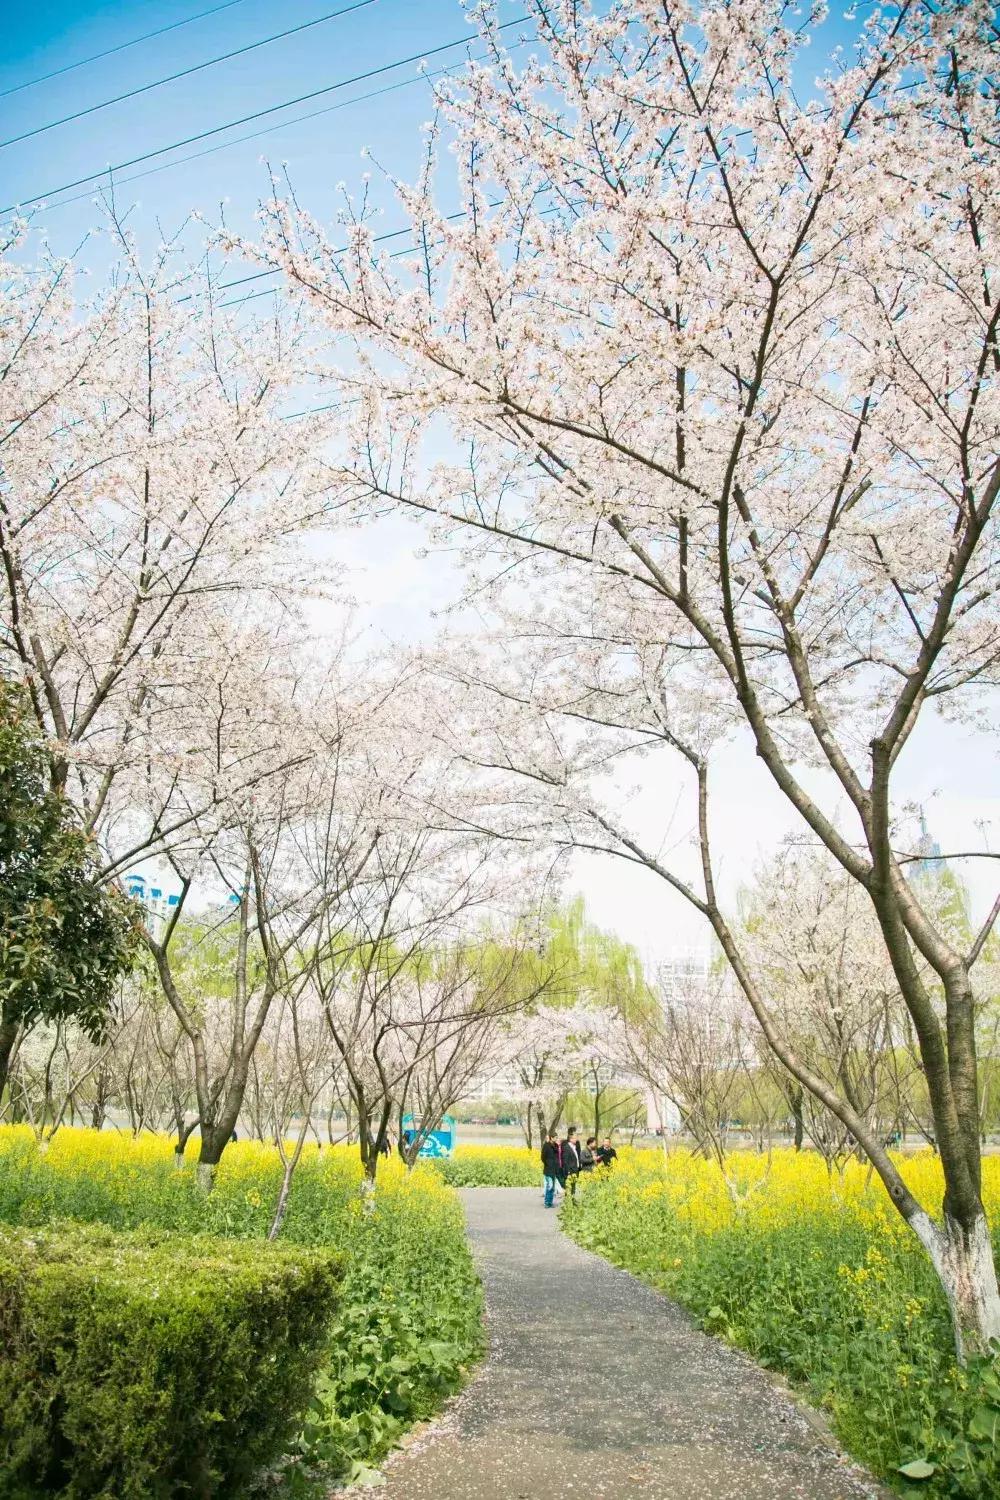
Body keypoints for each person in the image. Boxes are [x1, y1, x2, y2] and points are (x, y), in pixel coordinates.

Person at [541, 1127, 563, 1208]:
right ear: (551, 1138)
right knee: (549, 1186)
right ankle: (547, 1203)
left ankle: (550, 1202)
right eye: (556, 1137)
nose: (557, 1139)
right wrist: (548, 1164)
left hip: (554, 1170)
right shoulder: (546, 1146)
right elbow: (543, 1157)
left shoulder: (556, 1146)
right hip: (548, 1169)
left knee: (553, 1187)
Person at [560, 1126, 581, 1199]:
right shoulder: (566, 1147)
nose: (577, 1139)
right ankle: (568, 1202)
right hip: (570, 1172)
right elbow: (565, 1161)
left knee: (573, 1188)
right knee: (569, 1187)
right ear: (571, 1138)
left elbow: (577, 1157)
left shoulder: (574, 1147)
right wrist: (568, 1172)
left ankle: (572, 1200)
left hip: (575, 1170)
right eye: (575, 1138)